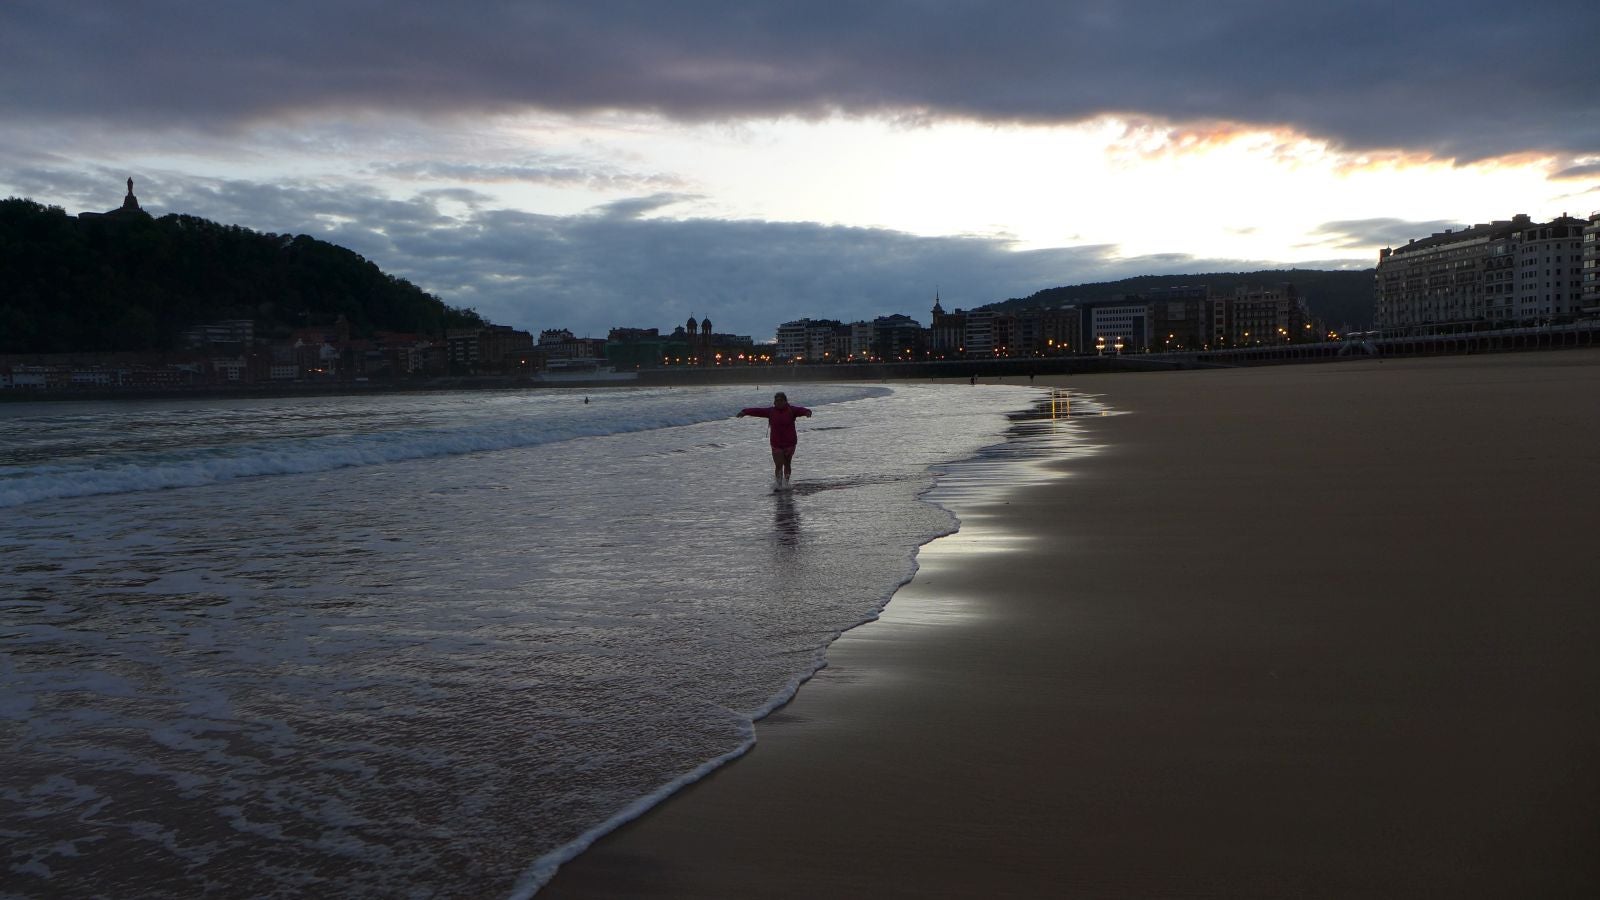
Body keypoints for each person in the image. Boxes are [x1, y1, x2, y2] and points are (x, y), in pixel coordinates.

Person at [737, 391, 812, 487]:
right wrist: (745, 412)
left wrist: (807, 412)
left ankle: (786, 483)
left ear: (785, 401)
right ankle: (779, 485)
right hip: (776, 443)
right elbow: (757, 411)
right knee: (779, 465)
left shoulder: (791, 410)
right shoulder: (770, 411)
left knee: (787, 463)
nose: (778, 403)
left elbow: (802, 410)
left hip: (790, 443)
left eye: (781, 401)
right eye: (776, 401)